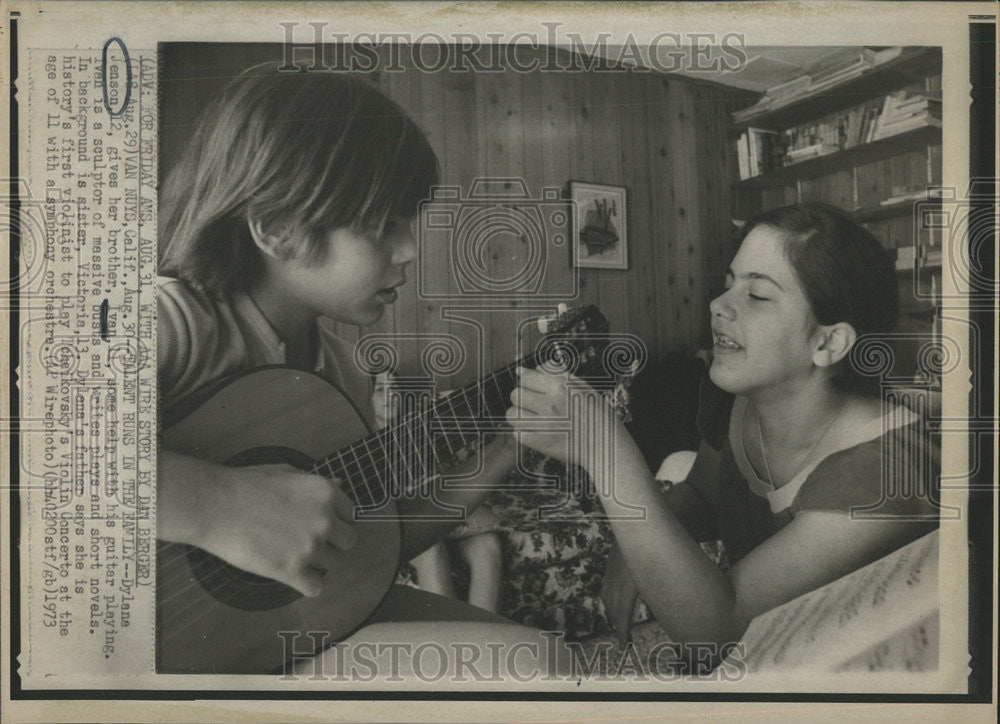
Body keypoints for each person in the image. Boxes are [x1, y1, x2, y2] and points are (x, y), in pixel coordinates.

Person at [156, 61, 565, 678]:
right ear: (277, 227)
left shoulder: (339, 372)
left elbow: (378, 537)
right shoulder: (170, 318)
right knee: (526, 665)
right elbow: (38, 450)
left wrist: (511, 446)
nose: (407, 249)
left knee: (548, 661)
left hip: (278, 632)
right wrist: (216, 503)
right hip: (129, 649)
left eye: (409, 221)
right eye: (380, 225)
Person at [507, 202, 939, 669]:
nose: (718, 305)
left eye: (757, 295)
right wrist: (625, 549)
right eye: (729, 283)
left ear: (828, 343)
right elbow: (702, 495)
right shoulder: (740, 399)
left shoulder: (885, 474)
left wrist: (608, 453)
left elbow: (717, 633)